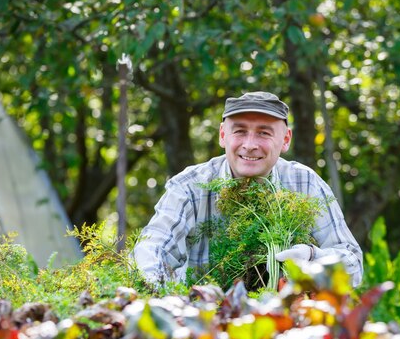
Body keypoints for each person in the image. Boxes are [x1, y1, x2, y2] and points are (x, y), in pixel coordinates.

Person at [133, 91, 363, 289]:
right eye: (240, 131)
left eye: (264, 132)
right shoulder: (190, 186)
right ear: (223, 135)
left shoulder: (305, 183)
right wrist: (158, 290)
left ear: (285, 140)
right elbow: (154, 248)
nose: (250, 144)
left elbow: (353, 264)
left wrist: (313, 257)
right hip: (205, 319)